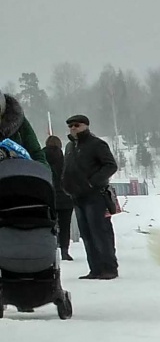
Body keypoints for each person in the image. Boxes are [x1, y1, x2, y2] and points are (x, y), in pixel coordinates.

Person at [61, 114, 120, 279]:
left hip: (96, 197)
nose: (73, 128)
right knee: (86, 235)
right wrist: (65, 185)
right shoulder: (70, 147)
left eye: (77, 125)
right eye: (70, 126)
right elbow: (67, 169)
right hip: (77, 197)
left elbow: (110, 165)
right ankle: (95, 269)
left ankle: (109, 268)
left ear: (86, 126)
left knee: (100, 232)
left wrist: (92, 183)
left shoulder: (97, 144)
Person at [45, 135, 73, 259]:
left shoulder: (41, 157)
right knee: (65, 225)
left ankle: (50, 248)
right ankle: (64, 251)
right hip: (65, 197)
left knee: (48, 225)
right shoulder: (65, 159)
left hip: (47, 197)